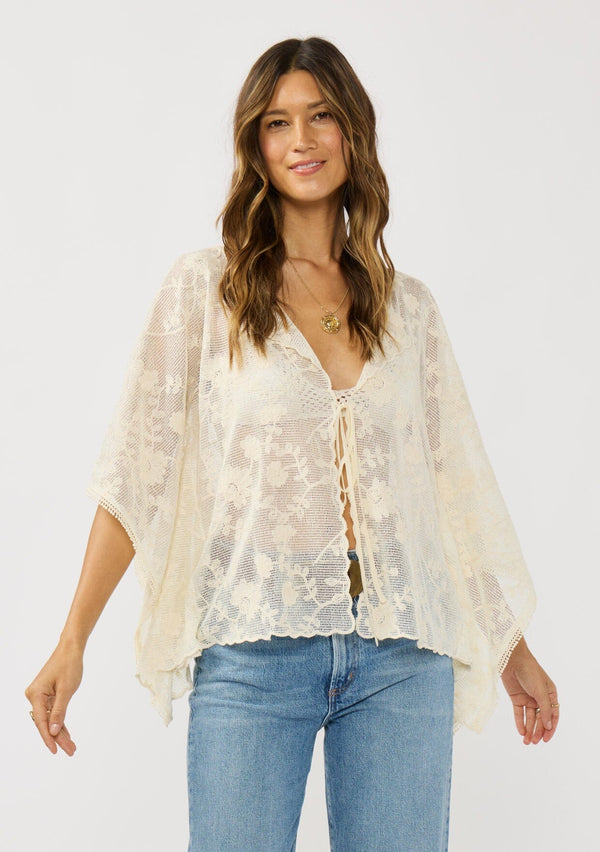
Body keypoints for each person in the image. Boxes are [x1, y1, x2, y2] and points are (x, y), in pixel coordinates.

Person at [25, 36, 559, 851]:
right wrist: (72, 641)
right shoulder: (208, 291)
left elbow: (457, 493)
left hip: (402, 655)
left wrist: (513, 650)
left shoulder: (409, 310)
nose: (301, 140)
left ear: (353, 132)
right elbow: (135, 473)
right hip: (254, 650)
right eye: (278, 123)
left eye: (320, 117)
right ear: (257, 145)